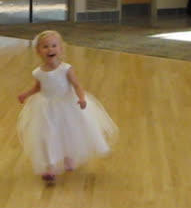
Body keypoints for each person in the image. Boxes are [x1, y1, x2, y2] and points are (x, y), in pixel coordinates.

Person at [17, 30, 118, 184]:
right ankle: (50, 167)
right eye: (45, 47)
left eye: (54, 46)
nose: (50, 49)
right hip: (46, 107)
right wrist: (26, 94)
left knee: (68, 131)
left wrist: (82, 98)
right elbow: (38, 87)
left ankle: (68, 156)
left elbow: (77, 85)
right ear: (38, 51)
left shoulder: (66, 69)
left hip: (67, 105)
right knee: (48, 134)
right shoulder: (38, 72)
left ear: (61, 49)